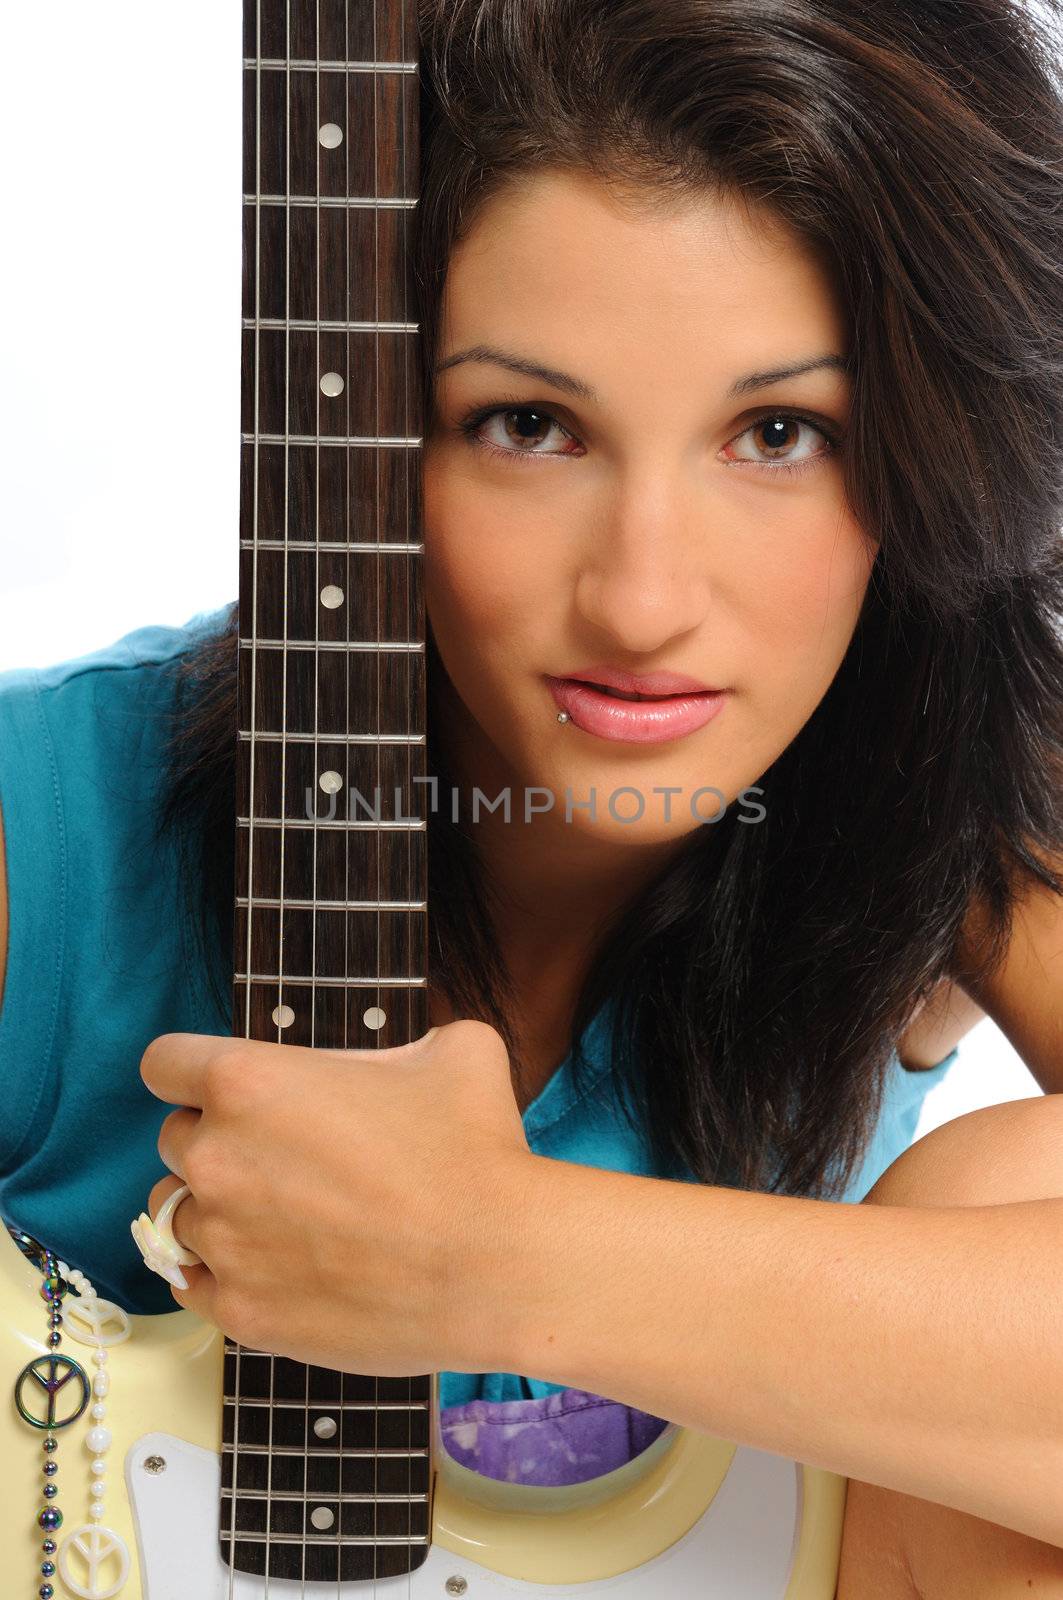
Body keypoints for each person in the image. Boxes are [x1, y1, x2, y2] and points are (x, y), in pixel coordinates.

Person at [2, 0, 1063, 1591]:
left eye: (778, 433)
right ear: (371, 440)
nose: (642, 601)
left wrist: (486, 1250)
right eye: (531, 426)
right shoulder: (41, 835)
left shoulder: (938, 794)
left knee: (1019, 1191)